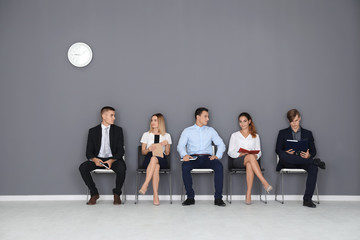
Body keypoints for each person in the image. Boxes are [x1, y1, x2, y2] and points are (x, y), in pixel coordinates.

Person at [276, 109, 326, 208]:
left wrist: (309, 155)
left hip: (304, 160)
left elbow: (313, 151)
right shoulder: (282, 133)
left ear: (300, 119)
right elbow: (277, 150)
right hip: (288, 161)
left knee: (313, 168)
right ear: (288, 121)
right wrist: (285, 152)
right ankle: (314, 162)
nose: (294, 123)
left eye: (296, 120)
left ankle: (307, 200)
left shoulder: (308, 133)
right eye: (291, 121)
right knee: (283, 156)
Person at [177, 107, 226, 207]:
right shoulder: (187, 131)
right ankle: (190, 198)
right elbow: (180, 146)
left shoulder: (211, 130)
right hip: (193, 158)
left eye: (208, 116)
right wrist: (184, 155)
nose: (208, 119)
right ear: (198, 117)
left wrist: (217, 156)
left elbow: (221, 144)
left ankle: (218, 198)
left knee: (219, 166)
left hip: (207, 158)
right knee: (185, 167)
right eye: (205, 116)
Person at [79, 106, 126, 205]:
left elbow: (121, 151)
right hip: (98, 160)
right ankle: (94, 193)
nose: (114, 118)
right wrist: (95, 159)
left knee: (122, 168)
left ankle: (117, 194)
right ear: (103, 116)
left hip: (113, 160)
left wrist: (112, 160)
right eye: (111, 115)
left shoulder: (118, 130)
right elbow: (88, 152)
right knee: (83, 167)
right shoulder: (93, 131)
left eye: (114, 115)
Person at [227, 112, 272, 205]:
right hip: (238, 160)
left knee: (249, 162)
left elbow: (259, 151)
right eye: (240, 121)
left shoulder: (255, 136)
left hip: (251, 161)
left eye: (244, 121)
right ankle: (264, 182)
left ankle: (248, 194)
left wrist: (256, 155)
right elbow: (230, 151)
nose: (242, 124)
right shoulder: (234, 135)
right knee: (249, 157)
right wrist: (240, 154)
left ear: (249, 122)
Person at [138, 113, 172, 206]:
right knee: (155, 164)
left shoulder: (167, 135)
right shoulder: (146, 134)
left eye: (155, 120)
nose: (152, 122)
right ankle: (155, 195)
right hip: (149, 158)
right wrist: (149, 149)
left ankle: (145, 185)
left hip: (162, 158)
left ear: (160, 122)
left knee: (155, 159)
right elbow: (143, 152)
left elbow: (168, 153)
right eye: (152, 120)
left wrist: (166, 145)